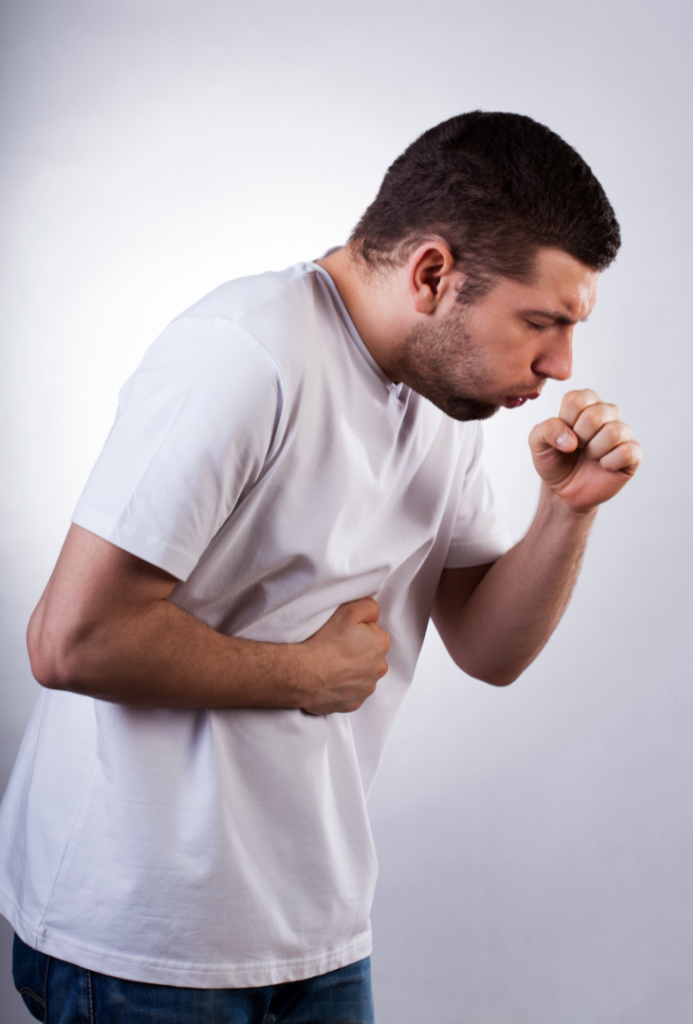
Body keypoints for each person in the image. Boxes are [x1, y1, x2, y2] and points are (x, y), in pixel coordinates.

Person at [1, 111, 641, 1023]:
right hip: (145, 938)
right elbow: (71, 640)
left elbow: (490, 649)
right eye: (541, 322)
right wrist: (305, 674)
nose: (561, 364)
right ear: (432, 274)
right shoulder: (245, 355)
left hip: (317, 927)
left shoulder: (441, 398)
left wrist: (566, 511)